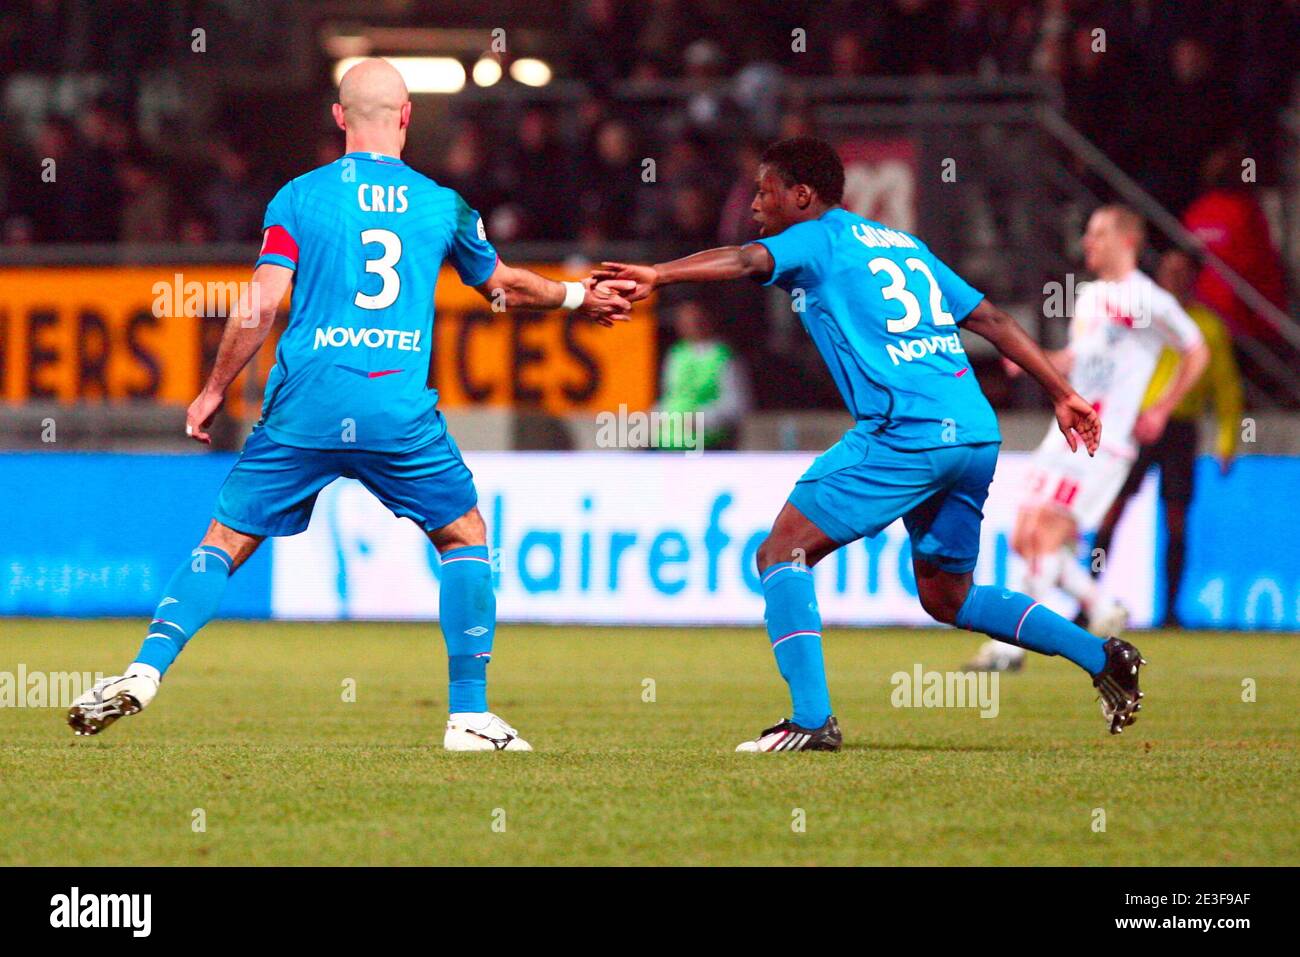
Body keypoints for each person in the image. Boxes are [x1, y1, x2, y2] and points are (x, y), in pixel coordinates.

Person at [67, 58, 633, 750]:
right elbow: (504, 286)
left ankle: (144, 670)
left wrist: (215, 389)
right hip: (394, 405)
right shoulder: (442, 204)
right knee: (464, 536)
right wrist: (580, 295)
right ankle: (469, 714)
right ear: (406, 117)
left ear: (339, 118)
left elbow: (262, 303)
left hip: (305, 402)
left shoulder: (299, 197)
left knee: (224, 542)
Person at [595, 137, 1146, 751]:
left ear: (802, 196)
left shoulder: (818, 236)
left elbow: (747, 262)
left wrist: (659, 275)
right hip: (972, 431)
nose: (754, 204)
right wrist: (1062, 393)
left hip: (906, 430)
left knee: (781, 553)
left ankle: (810, 720)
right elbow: (989, 319)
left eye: (765, 191)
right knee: (948, 595)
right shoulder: (904, 245)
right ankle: (1102, 656)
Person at [969, 206, 1209, 673]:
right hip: (1068, 430)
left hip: (1106, 440)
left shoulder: (1149, 299)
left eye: (1098, 234)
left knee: (1046, 535)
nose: (1087, 243)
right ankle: (1101, 607)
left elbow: (1195, 348)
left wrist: (1160, 407)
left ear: (1127, 240)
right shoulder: (1093, 296)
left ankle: (1010, 648)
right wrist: (1035, 360)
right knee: (1023, 535)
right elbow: (1083, 357)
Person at [1091, 248, 1243, 627]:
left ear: (1194, 277)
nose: (1175, 278)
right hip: (1135, 426)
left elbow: (1226, 389)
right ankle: (1088, 602)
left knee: (1176, 518)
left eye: (1182, 272)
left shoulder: (1208, 327)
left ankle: (1170, 611)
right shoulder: (1140, 320)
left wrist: (1228, 441)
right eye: (1168, 270)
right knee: (1112, 510)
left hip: (1180, 429)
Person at [653, 300, 752, 450]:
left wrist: (700, 420)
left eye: (695, 320)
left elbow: (736, 405)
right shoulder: (676, 353)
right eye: (684, 321)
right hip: (669, 444)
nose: (690, 325)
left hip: (707, 445)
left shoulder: (723, 356)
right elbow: (671, 397)